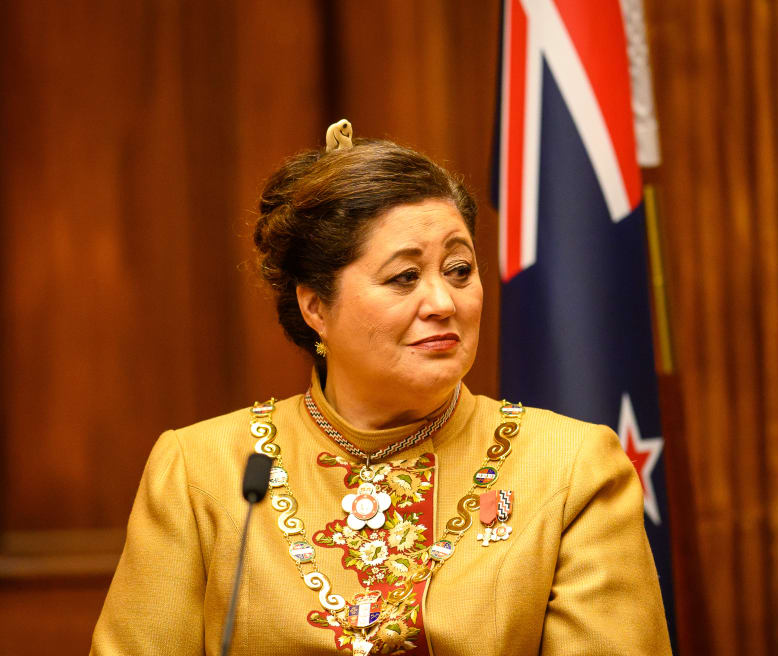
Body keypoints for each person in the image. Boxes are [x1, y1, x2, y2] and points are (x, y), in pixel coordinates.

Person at [90, 120, 672, 655]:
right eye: (404, 277)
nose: (443, 303)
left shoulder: (571, 468)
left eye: (459, 269)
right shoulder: (201, 471)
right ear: (316, 305)